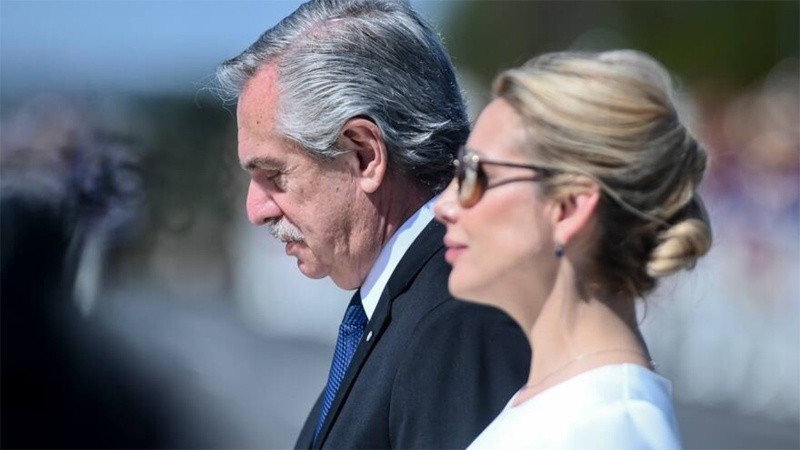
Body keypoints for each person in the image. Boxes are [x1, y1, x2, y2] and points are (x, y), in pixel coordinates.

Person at [215, 0, 530, 448]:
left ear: (364, 155)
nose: (256, 209)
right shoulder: (415, 302)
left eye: (275, 175)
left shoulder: (456, 320)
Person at [434, 50, 713, 449]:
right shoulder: (573, 408)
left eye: (473, 173)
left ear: (568, 207)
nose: (444, 205)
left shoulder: (608, 430)